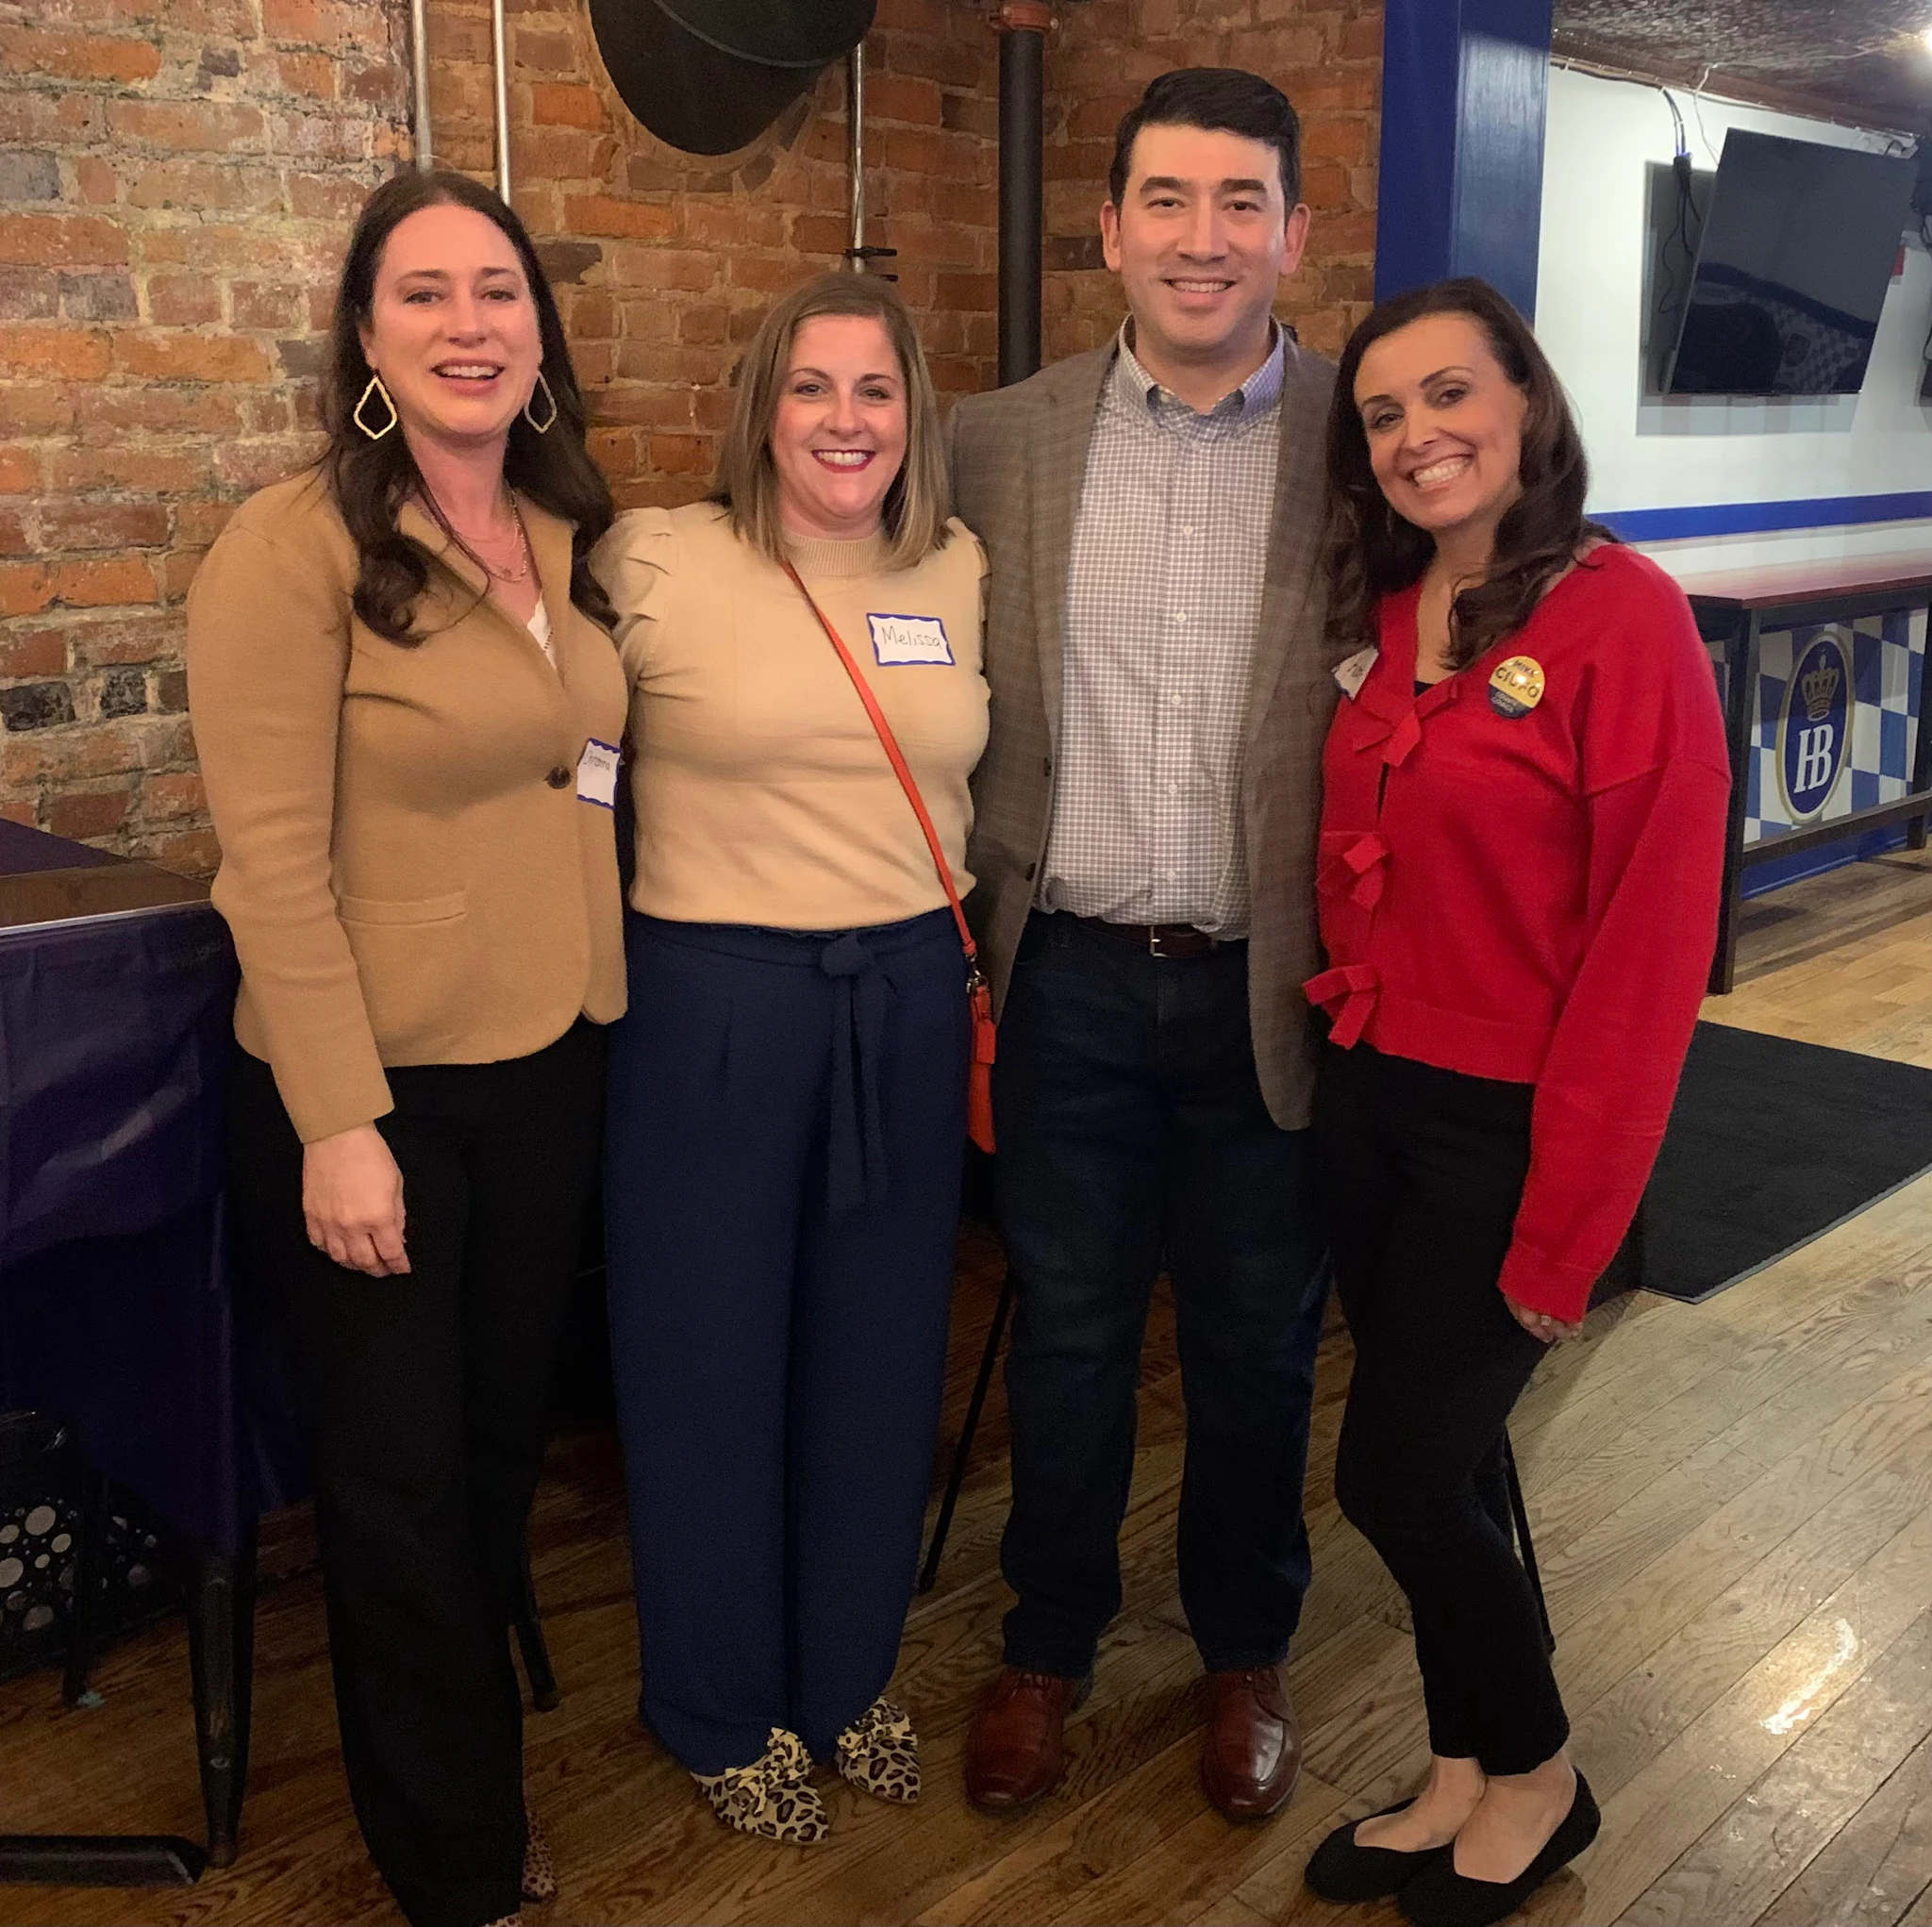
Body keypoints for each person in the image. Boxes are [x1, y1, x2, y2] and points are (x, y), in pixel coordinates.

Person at [187, 170, 626, 1927]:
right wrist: (337, 1121)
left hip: (548, 1062)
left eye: (499, 291)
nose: (469, 324)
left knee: (500, 1451)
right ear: (366, 338)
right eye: (425, 293)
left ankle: (464, 1771)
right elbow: (267, 865)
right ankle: (455, 1868)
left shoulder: (564, 524)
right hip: (373, 1095)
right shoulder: (288, 547)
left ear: (539, 329)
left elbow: (576, 777)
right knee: (397, 1489)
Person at [1299, 278, 1728, 1927]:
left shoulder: (1626, 618)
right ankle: (1464, 1764)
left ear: (1527, 404)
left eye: (1449, 393)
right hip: (1372, 1101)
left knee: (1395, 1475)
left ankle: (1540, 1769)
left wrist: (1574, 1224)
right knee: (1458, 1465)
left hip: (1513, 1132)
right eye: (1383, 413)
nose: (1418, 434)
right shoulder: (1389, 599)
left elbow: (1647, 953)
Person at [948, 66, 1336, 1819]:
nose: (1203, 237)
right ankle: (1047, 1643)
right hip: (1070, 980)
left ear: (1293, 232)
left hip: (1273, 983)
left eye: (1241, 201)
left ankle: (1245, 1648)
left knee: (1258, 1343)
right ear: (1107, 229)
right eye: (1167, 200)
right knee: (1071, 1332)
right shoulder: (997, 441)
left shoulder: (1357, 441)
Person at [592, 272, 989, 1844]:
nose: (844, 419)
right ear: (762, 406)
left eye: (874, 388)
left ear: (912, 414)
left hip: (906, 992)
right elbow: (561, 758)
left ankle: (847, 1672)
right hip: (715, 999)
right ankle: (711, 1698)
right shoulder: (655, 556)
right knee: (704, 1359)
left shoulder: (956, 563)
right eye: (812, 386)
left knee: (881, 1357)